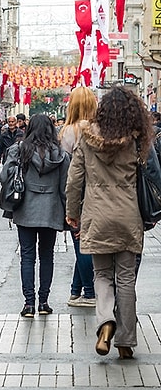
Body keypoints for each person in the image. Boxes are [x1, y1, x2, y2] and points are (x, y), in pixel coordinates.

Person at [66, 86, 152, 359]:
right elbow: (153, 176)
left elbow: (74, 180)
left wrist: (72, 213)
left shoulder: (87, 139)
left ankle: (106, 322)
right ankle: (126, 341)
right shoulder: (137, 140)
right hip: (129, 214)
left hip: (96, 214)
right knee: (126, 279)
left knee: (101, 275)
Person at [0, 113, 70, 318]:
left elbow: (4, 177)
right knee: (47, 256)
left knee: (27, 257)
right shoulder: (61, 155)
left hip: (25, 209)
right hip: (51, 210)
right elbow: (65, 188)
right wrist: (70, 214)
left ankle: (28, 304)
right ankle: (44, 302)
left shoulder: (18, 150)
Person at [58, 86, 98, 308]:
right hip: (96, 192)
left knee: (81, 242)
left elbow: (68, 171)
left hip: (76, 193)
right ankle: (76, 290)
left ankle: (89, 292)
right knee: (83, 242)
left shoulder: (68, 132)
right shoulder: (98, 129)